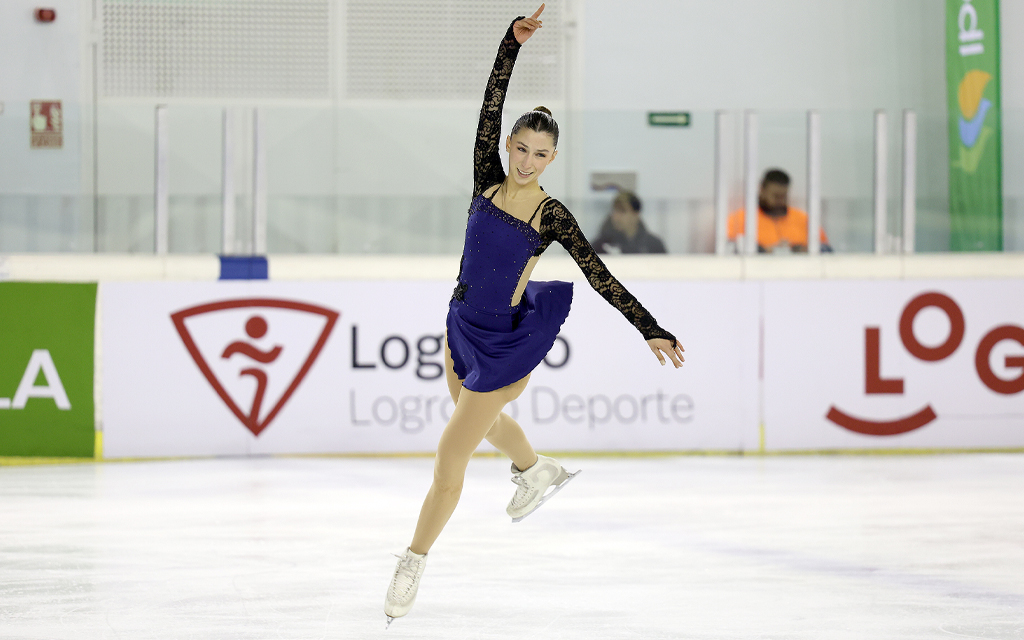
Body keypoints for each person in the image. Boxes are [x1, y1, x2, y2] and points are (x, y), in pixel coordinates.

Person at [384, 5, 684, 626]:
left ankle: (412, 561)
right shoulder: (486, 183)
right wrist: (510, 43)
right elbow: (490, 104)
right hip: (460, 326)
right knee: (487, 427)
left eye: (538, 153)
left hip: (505, 343)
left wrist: (649, 325)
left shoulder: (552, 215)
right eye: (519, 148)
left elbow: (599, 274)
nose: (524, 160)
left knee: (449, 460)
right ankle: (534, 468)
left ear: (551, 159)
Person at [727, 169, 832, 253]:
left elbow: (827, 249)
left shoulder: (803, 219)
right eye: (775, 196)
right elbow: (729, 249)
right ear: (762, 190)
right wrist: (762, 250)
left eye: (783, 196)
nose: (779, 201)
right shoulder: (740, 219)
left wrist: (805, 250)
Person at [591, 191, 667, 254]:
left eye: (622, 211)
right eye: (615, 211)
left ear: (635, 214)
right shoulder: (600, 245)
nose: (616, 216)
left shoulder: (653, 245)